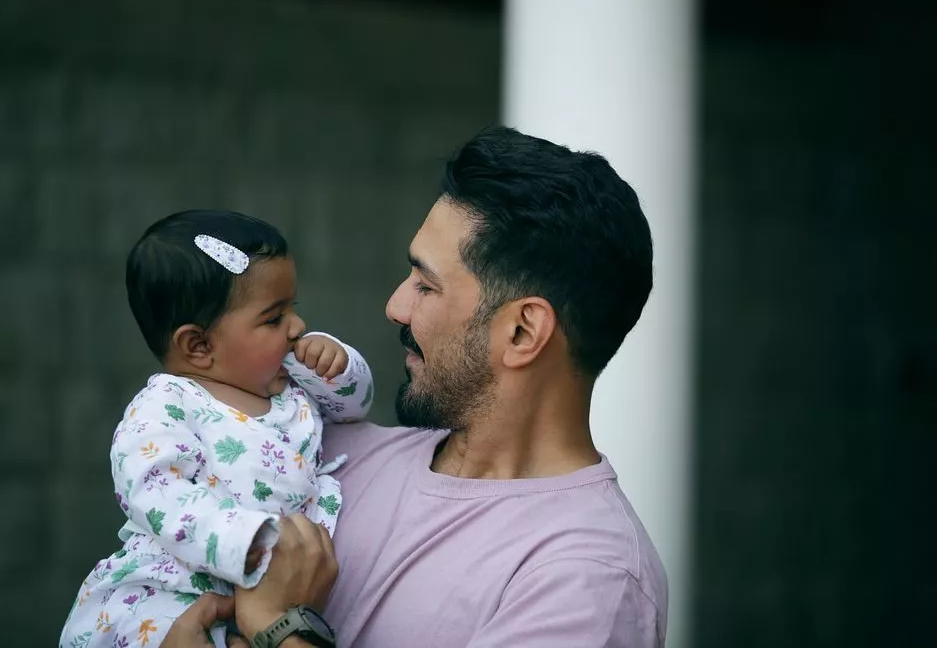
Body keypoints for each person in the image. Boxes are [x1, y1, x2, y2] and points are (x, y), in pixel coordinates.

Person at [165, 125, 669, 647]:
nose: (396, 306)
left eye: (426, 285)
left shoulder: (588, 575)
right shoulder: (318, 457)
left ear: (522, 332)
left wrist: (277, 625)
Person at [60, 209, 374, 648]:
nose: (298, 327)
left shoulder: (290, 385)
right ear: (199, 346)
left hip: (270, 591)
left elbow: (353, 407)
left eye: (293, 309)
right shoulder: (166, 404)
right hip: (170, 587)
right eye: (274, 317)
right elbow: (152, 489)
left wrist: (336, 365)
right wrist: (243, 539)